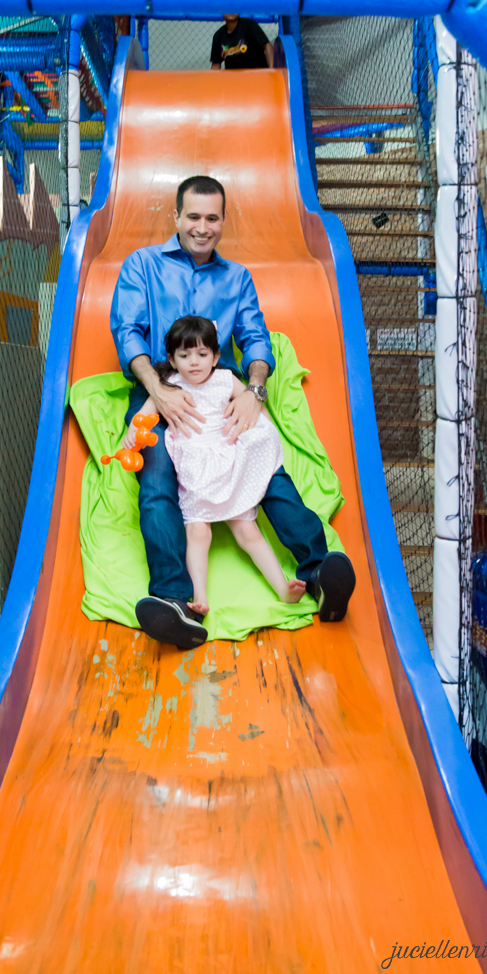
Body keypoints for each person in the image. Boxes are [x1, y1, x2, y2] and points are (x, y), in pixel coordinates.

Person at [109, 173, 356, 649]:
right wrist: (158, 391)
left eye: (212, 218)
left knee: (265, 469)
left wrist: (254, 391)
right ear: (176, 216)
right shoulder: (143, 265)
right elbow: (127, 331)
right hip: (160, 385)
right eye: (193, 217)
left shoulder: (237, 277)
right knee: (156, 482)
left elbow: (256, 338)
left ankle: (318, 572)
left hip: (223, 389)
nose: (202, 227)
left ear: (223, 221)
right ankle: (175, 601)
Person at [123, 315, 307, 615]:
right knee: (198, 533)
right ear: (172, 359)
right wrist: (133, 432)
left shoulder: (224, 379)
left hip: (226, 464)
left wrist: (266, 431)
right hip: (194, 470)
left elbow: (253, 407)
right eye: (184, 356)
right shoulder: (169, 387)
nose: (194, 362)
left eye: (202, 354)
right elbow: (144, 415)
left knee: (247, 530)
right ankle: (199, 597)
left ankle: (283, 588)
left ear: (216, 356)